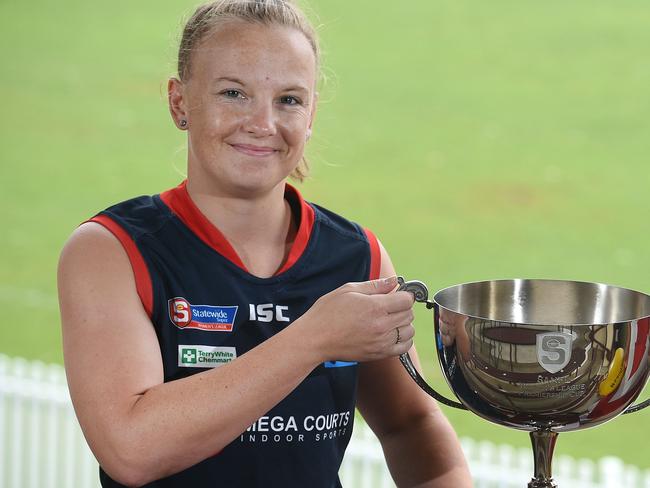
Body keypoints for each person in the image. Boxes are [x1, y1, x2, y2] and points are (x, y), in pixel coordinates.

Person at [58, 1, 472, 486]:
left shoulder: (356, 256)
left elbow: (411, 426)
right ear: (179, 102)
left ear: (312, 113)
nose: (262, 123)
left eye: (289, 100)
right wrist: (313, 337)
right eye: (234, 93)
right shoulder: (110, 251)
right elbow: (131, 450)